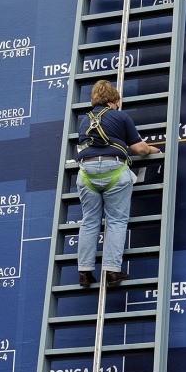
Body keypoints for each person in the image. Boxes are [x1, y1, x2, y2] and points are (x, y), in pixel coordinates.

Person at [76, 80, 160, 287]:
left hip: (86, 174)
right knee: (116, 221)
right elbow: (139, 149)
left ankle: (84, 273)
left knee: (89, 222)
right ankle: (112, 271)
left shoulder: (84, 121)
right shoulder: (120, 116)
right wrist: (152, 150)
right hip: (114, 170)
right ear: (114, 101)